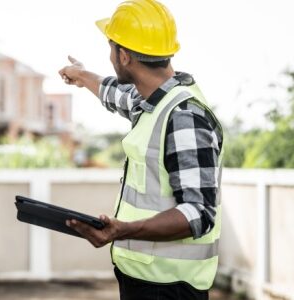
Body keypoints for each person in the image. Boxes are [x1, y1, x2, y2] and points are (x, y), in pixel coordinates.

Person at [59, 0, 223, 299]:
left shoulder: (184, 116)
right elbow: (116, 94)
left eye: (111, 48)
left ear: (123, 56)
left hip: (171, 288)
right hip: (144, 280)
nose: (109, 57)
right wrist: (81, 76)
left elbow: (197, 213)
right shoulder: (151, 102)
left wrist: (122, 230)